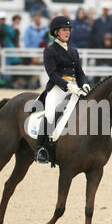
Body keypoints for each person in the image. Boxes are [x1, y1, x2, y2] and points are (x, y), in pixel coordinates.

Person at [35, 16, 91, 163]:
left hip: (75, 89)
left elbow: (80, 73)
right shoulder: (50, 51)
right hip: (57, 88)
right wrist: (67, 86)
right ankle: (41, 149)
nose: (67, 33)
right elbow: (52, 74)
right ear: (56, 32)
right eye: (64, 30)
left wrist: (84, 84)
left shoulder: (74, 51)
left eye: (68, 30)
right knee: (51, 114)